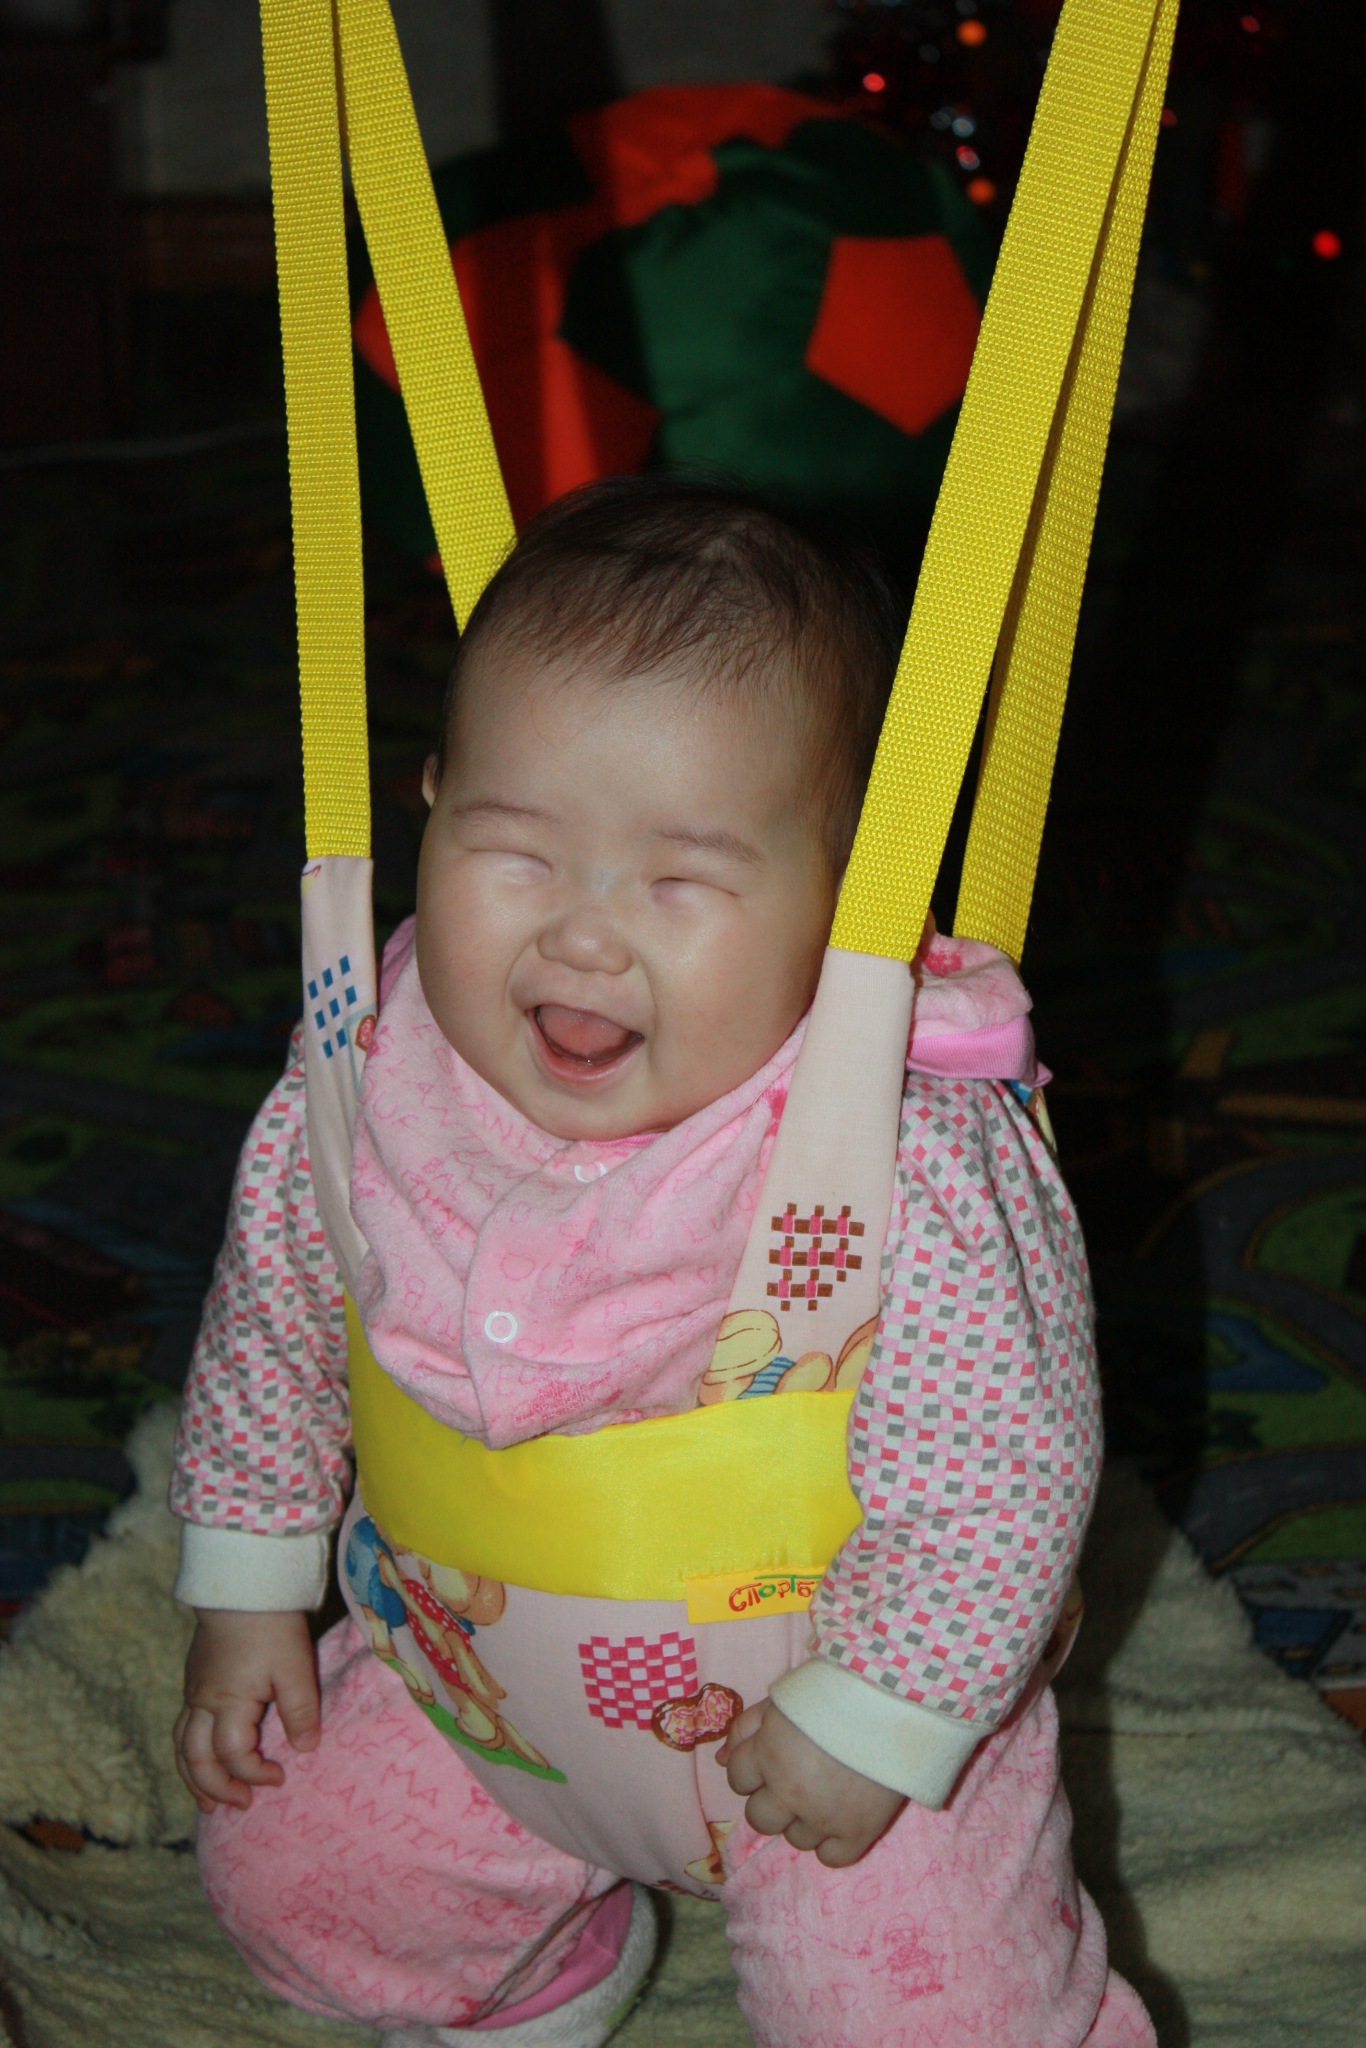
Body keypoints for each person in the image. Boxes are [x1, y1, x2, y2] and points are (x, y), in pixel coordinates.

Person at [170, 478, 1153, 2048]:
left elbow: (1001, 1464)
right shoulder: (372, 1068)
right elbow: (270, 1325)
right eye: (514, 850)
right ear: (429, 800)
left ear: (845, 899)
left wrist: (885, 1715)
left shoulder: (897, 1141)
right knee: (290, 1872)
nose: (583, 935)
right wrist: (249, 1583)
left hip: (832, 1731)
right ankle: (541, 1973)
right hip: (479, 1700)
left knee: (923, 2021)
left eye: (680, 883)